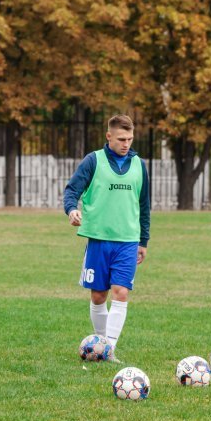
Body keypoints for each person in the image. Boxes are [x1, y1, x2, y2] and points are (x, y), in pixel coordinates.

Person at [63, 114, 151, 363]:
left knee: (121, 292)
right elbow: (72, 190)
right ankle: (100, 344)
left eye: (130, 139)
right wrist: (72, 210)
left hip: (128, 241)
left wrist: (143, 241)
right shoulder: (93, 161)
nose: (126, 144)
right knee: (98, 296)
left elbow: (144, 206)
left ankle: (109, 350)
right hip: (98, 240)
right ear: (108, 136)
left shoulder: (139, 165)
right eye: (121, 139)